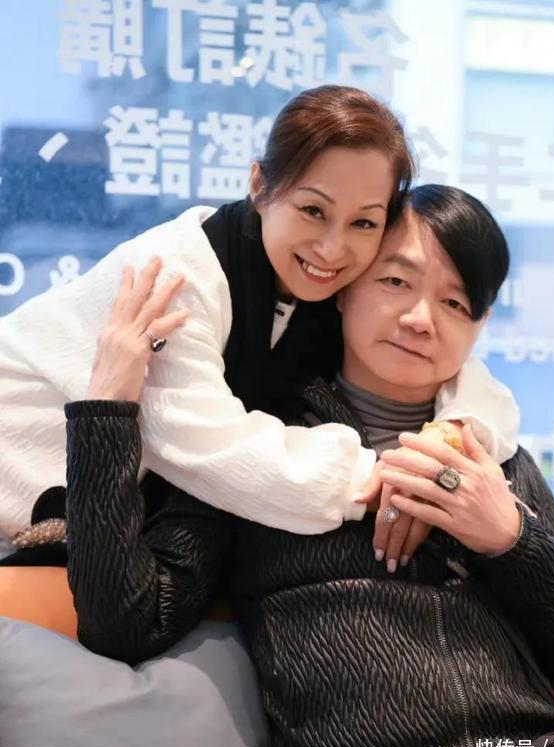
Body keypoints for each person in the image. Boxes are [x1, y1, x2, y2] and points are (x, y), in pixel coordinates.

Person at [63, 185, 554, 747]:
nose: (420, 319)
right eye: (396, 282)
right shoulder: (257, 445)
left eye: (455, 304)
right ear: (345, 287)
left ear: (479, 324)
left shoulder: (494, 458)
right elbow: (125, 623)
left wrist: (508, 538)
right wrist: (106, 409)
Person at [0, 86, 519, 568]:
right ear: (259, 186)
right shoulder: (177, 274)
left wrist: (452, 435)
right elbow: (209, 448)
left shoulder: (324, 286)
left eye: (363, 222)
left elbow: (465, 369)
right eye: (313, 210)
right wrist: (392, 481)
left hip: (85, 531)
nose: (332, 248)